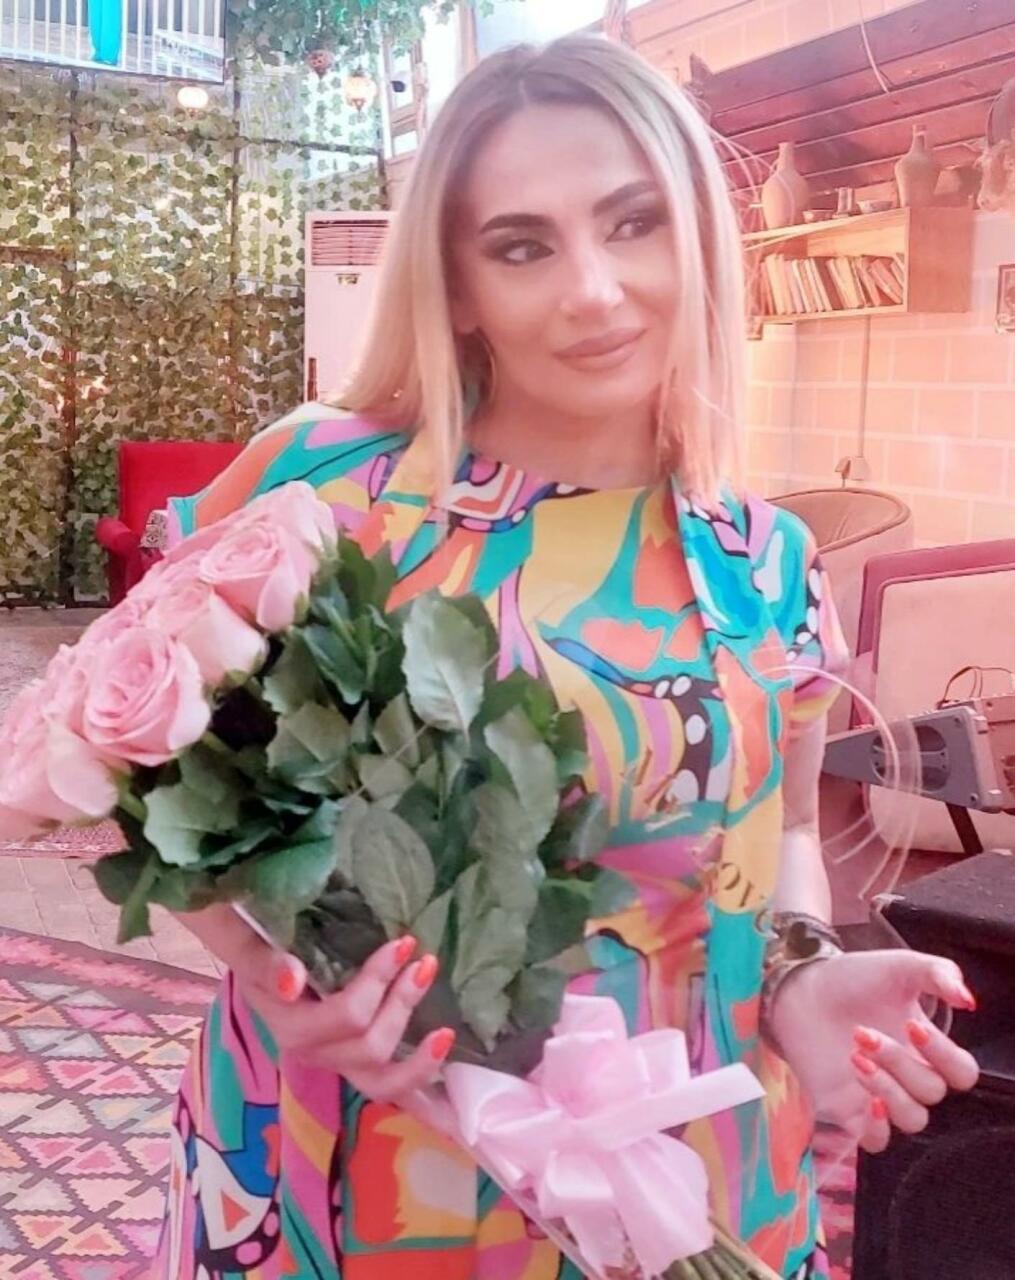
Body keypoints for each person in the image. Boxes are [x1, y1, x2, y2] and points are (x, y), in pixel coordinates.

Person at [154, 34, 979, 1280]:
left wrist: (801, 973)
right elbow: (138, 769)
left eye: (633, 222)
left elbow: (783, 837)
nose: (593, 289)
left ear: (696, 235)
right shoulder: (326, 489)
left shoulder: (765, 561)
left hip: (689, 1170)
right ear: (457, 283)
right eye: (522, 245)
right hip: (364, 1165)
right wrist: (264, 973)